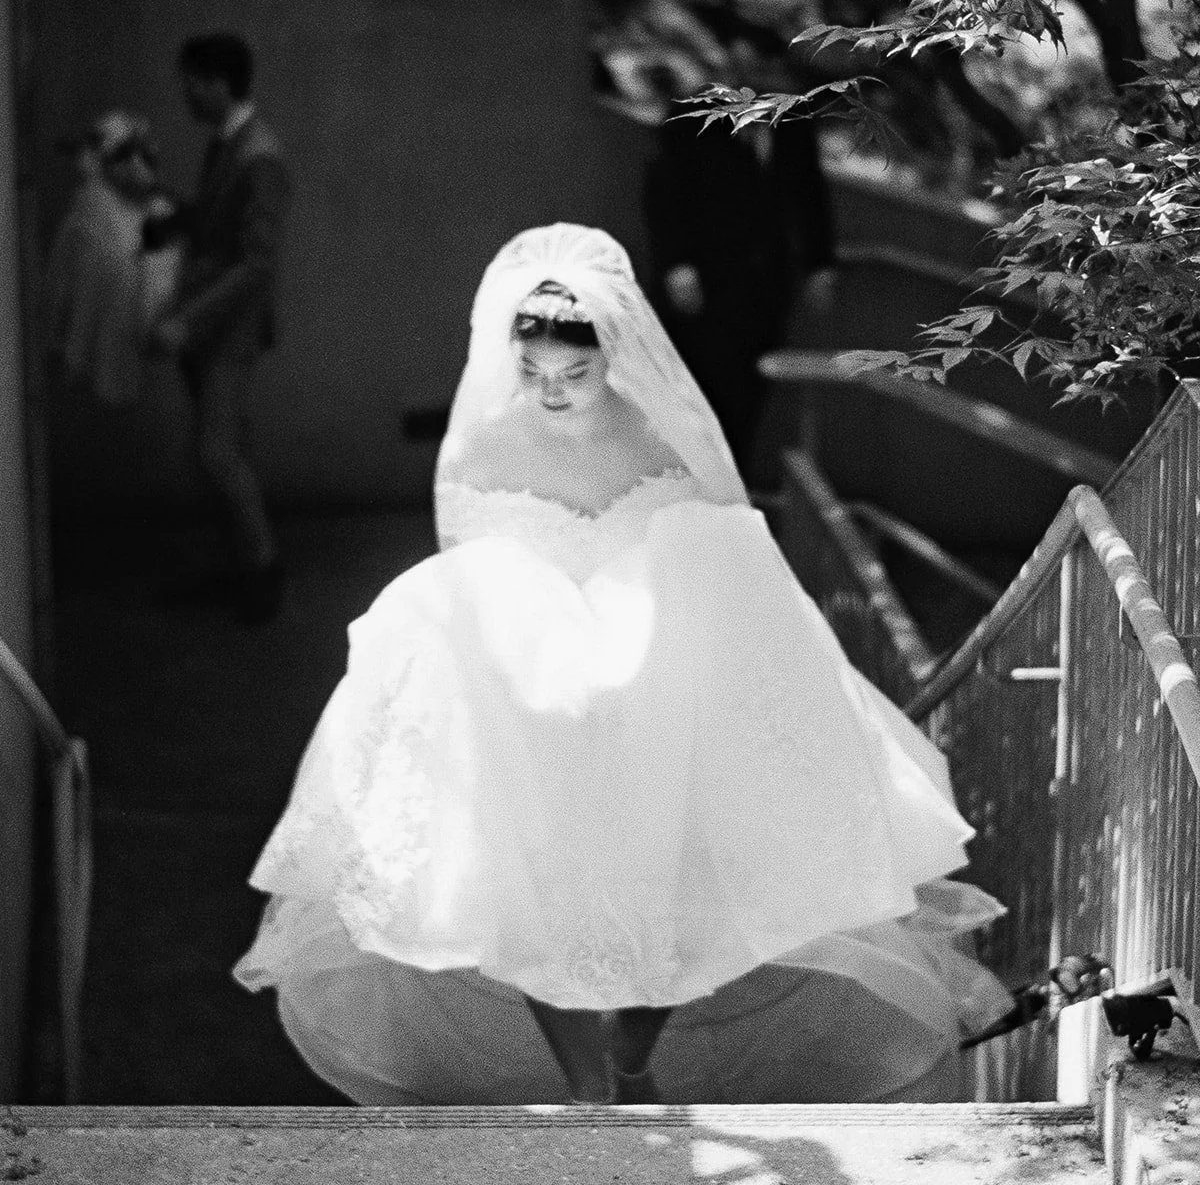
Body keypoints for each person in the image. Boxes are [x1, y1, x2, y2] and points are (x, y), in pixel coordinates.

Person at [234, 224, 1010, 1104]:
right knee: (523, 898)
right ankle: (590, 1089)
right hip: (532, 695)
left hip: (659, 682)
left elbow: (725, 543)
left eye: (574, 374)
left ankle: (631, 1060)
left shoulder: (662, 433)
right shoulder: (482, 441)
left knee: (692, 904)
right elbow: (467, 559)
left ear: (612, 355)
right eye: (533, 374)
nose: (553, 394)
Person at [148, 33, 292, 623]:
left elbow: (256, 263)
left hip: (225, 328)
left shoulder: (259, 154)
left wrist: (186, 320)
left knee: (218, 453)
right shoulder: (230, 142)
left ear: (219, 83)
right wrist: (167, 208)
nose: (185, 90)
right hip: (214, 323)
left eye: (193, 79)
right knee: (225, 450)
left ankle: (261, 574)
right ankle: (244, 567)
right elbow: (219, 224)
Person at [643, 111, 835, 468]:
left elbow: (808, 191)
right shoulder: (693, 115)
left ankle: (729, 486)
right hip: (705, 281)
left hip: (764, 285)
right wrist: (676, 263)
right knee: (700, 389)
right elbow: (665, 188)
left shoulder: (793, 121)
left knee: (748, 395)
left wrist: (819, 263)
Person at [43, 110, 180, 406]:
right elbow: (65, 288)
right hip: (94, 359)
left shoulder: (159, 212)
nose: (138, 164)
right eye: (125, 155)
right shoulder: (91, 213)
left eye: (143, 153)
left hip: (143, 352)